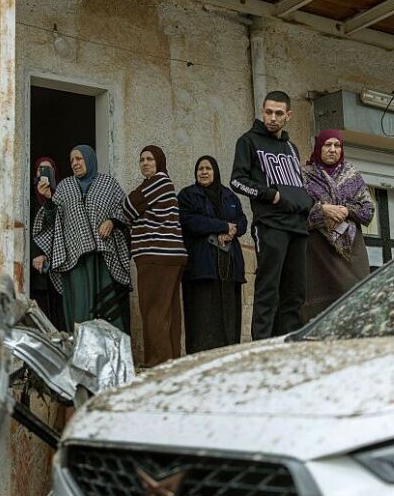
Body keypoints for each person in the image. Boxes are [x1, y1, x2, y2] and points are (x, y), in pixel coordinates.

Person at [230, 90, 312, 340]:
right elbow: (237, 180)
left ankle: (288, 347)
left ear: (288, 115)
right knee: (268, 290)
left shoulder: (291, 147)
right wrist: (271, 195)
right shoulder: (248, 141)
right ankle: (262, 348)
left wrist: (305, 202)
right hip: (270, 224)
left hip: (297, 226)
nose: (272, 118)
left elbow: (298, 182)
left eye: (278, 113)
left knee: (295, 293)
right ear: (262, 112)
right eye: (268, 112)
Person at [32, 145, 131, 332]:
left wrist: (112, 221)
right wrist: (48, 200)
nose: (75, 163)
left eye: (79, 159)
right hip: (74, 261)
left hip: (103, 260)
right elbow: (53, 221)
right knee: (80, 309)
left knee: (107, 308)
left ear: (90, 159)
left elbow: (124, 211)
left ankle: (109, 354)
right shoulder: (64, 186)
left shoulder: (108, 184)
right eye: (71, 161)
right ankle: (81, 352)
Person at [121, 146, 187, 367]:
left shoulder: (158, 182)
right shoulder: (159, 184)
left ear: (159, 162)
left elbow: (127, 207)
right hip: (168, 255)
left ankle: (157, 361)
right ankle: (171, 359)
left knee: (153, 310)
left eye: (150, 159)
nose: (145, 163)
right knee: (168, 310)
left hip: (156, 254)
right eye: (141, 160)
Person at [302, 129, 374, 321]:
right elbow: (298, 210)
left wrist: (345, 211)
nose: (333, 150)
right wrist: (323, 211)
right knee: (321, 306)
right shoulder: (305, 175)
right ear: (319, 147)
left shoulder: (353, 175)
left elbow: (368, 211)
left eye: (337, 145)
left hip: (351, 250)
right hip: (318, 250)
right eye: (327, 145)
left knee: (355, 299)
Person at [178, 156, 247, 352]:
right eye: (200, 168)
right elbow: (189, 221)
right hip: (201, 265)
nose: (204, 172)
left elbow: (242, 220)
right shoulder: (187, 195)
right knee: (203, 312)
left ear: (215, 171)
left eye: (208, 168)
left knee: (228, 311)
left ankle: (228, 353)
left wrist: (233, 230)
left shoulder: (229, 196)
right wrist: (222, 226)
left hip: (229, 263)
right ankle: (201, 354)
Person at [29, 156, 65, 329]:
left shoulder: (60, 197)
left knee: (57, 304)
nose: (43, 173)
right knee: (40, 303)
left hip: (57, 258)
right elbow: (28, 229)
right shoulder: (29, 199)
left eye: (48, 169)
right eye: (40, 170)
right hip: (37, 263)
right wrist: (36, 253)